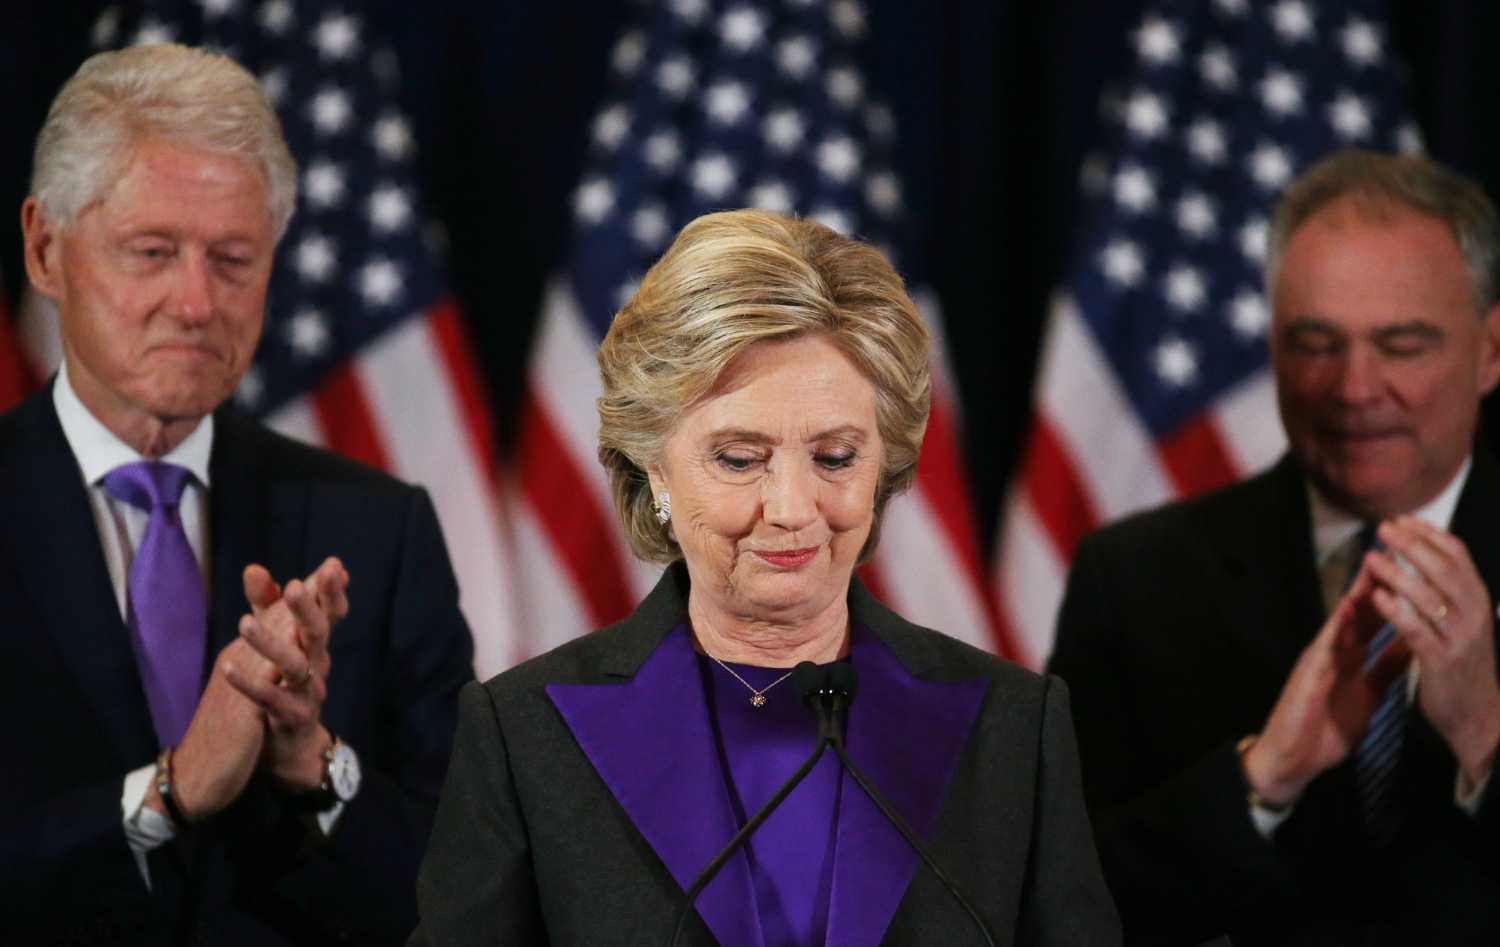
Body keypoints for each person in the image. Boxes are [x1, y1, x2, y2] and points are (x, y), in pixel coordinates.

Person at [410, 209, 1121, 945]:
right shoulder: (527, 737)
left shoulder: (1012, 728)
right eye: (740, 459)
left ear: (884, 467)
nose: (791, 508)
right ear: (655, 467)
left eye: (836, 457)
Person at [0, 44, 474, 945]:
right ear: (45, 249)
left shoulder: (379, 529)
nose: (195, 301)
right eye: (151, 252)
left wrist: (314, 764)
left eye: (232, 258)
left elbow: (465, 886)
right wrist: (167, 793)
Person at [1049, 149, 1500, 946]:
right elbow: (1059, 905)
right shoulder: (1137, 580)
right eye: (1317, 343)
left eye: (1401, 345)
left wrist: (1485, 738)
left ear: (1490, 349)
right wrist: (1262, 779)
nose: (1355, 388)